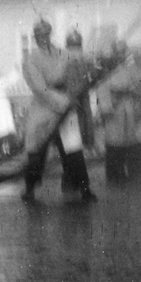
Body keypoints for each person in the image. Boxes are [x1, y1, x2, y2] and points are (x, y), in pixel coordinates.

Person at [21, 18, 96, 203]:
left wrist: (83, 81)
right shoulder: (31, 59)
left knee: (73, 149)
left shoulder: (64, 54)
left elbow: (78, 73)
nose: (43, 38)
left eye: (46, 34)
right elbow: (39, 87)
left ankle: (84, 188)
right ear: (35, 38)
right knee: (37, 149)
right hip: (43, 107)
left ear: (50, 34)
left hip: (67, 105)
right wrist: (64, 100)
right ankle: (30, 188)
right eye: (39, 36)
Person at [98, 44, 141, 183]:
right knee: (114, 141)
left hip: (128, 108)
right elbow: (103, 89)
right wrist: (106, 107)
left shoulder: (128, 70)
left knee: (126, 140)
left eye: (122, 55)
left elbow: (137, 86)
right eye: (118, 55)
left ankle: (127, 171)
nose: (120, 57)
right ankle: (113, 175)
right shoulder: (107, 70)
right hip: (114, 108)